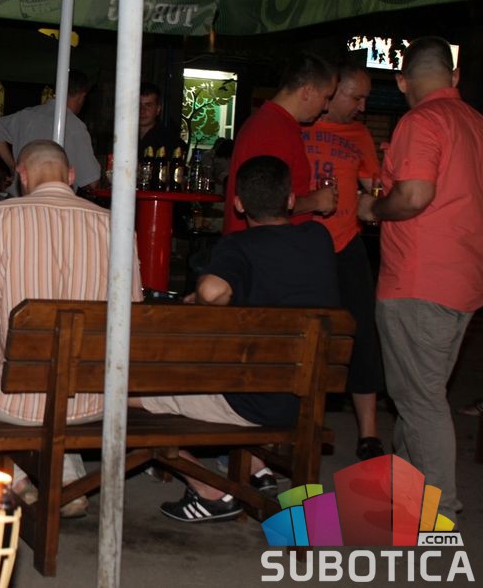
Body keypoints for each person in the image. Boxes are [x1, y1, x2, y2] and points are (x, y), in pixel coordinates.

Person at [0, 140, 142, 518]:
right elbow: (133, 316)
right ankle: (67, 485)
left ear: (23, 176)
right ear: (71, 176)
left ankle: (16, 480)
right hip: (94, 399)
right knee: (61, 379)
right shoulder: (116, 224)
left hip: (16, 399)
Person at [154, 156, 339, 523]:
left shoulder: (238, 246)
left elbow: (212, 291)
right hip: (308, 398)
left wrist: (202, 298)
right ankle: (256, 466)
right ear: (290, 200)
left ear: (238, 205)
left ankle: (209, 491)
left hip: (252, 403)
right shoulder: (319, 239)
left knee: (121, 393)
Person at [357, 36, 483, 524]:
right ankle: (407, 499)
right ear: (454, 77)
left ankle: (438, 513)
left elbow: (413, 196)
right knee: (419, 394)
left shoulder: (421, 121)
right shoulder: (474, 123)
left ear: (402, 81)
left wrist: (374, 209)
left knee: (421, 400)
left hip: (418, 279)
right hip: (463, 280)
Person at [300, 63, 385, 461]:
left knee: (362, 333)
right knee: (307, 334)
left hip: (347, 243)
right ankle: (300, 422)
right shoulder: (299, 124)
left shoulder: (360, 134)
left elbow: (375, 186)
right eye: (357, 97)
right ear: (332, 93)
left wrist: (378, 195)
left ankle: (369, 434)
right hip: (303, 244)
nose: (362, 107)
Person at [223, 52, 339, 234]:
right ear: (307, 91)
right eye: (326, 97)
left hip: (263, 244)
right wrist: (316, 201)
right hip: (261, 246)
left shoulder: (277, 124)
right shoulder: (272, 129)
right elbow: (264, 205)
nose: (326, 107)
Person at [0, 69, 102, 194]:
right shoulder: (75, 127)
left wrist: (13, 166)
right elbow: (92, 182)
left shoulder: (27, 116)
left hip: (19, 198)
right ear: (82, 96)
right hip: (53, 201)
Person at [137, 82, 186, 156]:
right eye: (138, 105)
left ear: (158, 109)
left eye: (148, 105)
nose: (142, 110)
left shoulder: (170, 142)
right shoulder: (122, 136)